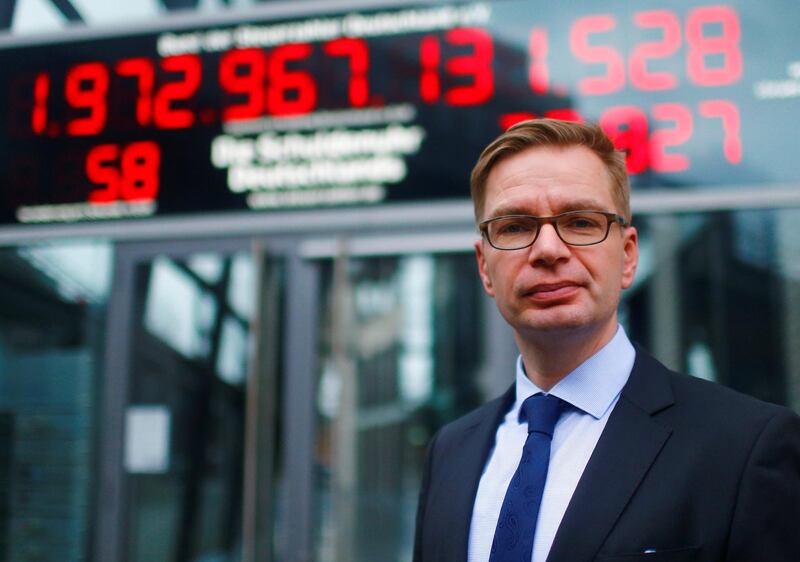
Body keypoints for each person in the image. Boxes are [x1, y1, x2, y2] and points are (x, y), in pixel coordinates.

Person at [412, 119, 800, 562]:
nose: (548, 249)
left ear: (628, 256)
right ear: (484, 267)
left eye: (579, 221)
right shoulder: (450, 451)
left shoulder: (746, 447)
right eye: (515, 227)